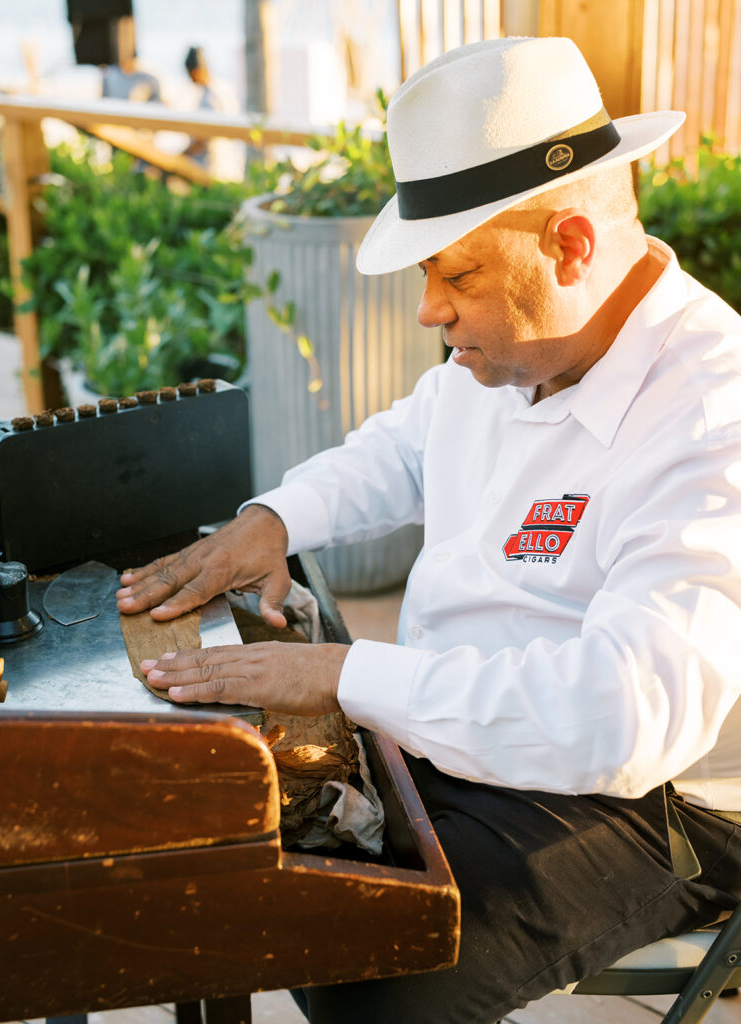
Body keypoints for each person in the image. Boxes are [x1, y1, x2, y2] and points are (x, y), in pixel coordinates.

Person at [116, 37, 741, 1023]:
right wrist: (275, 519)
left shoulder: (714, 412)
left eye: (456, 273)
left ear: (572, 246)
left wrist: (343, 678)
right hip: (444, 737)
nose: (426, 309)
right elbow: (408, 445)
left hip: (642, 805)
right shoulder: (506, 350)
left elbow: (624, 717)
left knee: (363, 971)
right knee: (226, 860)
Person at [181, 45, 222, 168]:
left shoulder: (211, 98)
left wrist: (182, 155)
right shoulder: (214, 91)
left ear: (195, 72)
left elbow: (203, 139)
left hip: (210, 166)